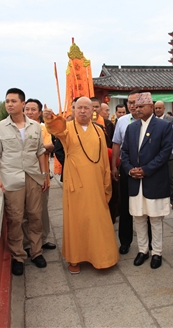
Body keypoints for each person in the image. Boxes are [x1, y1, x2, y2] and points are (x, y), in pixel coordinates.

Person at [43, 97, 119, 274]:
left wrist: (106, 179)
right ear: (74, 110)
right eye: (79, 108)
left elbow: (102, 159)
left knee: (98, 219)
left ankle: (103, 257)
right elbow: (55, 128)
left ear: (93, 110)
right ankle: (75, 258)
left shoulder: (99, 130)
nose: (83, 111)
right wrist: (49, 118)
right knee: (76, 220)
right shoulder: (67, 128)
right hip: (76, 182)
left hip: (96, 182)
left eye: (87, 107)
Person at [0, 88, 49, 276]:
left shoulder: (34, 127)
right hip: (11, 178)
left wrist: (44, 174)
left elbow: (40, 151)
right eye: (7, 101)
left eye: (13, 101)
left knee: (35, 216)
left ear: (22, 104)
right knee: (15, 218)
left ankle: (36, 251)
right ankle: (18, 256)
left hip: (33, 177)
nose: (9, 104)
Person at [121, 92, 173, 269]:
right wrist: (129, 169)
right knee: (139, 217)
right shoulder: (132, 128)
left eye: (142, 106)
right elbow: (125, 152)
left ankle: (156, 252)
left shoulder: (164, 127)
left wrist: (146, 170)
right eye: (136, 106)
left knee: (155, 218)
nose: (138, 108)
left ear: (151, 107)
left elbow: (165, 153)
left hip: (154, 179)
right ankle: (142, 250)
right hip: (135, 181)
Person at [23, 98, 56, 252]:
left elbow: (50, 145)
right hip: (23, 176)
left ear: (39, 112)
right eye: (27, 109)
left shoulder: (43, 128)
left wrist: (34, 147)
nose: (29, 112)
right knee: (25, 212)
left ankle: (43, 239)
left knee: (42, 209)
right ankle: (28, 243)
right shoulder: (20, 128)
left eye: (33, 110)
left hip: (42, 175)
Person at [112, 90, 140, 254]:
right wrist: (114, 166)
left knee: (146, 205)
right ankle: (125, 241)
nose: (132, 105)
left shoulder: (152, 121)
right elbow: (116, 144)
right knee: (125, 205)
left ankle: (150, 241)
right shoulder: (122, 121)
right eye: (129, 102)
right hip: (126, 166)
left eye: (135, 102)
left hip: (145, 168)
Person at [154, 100, 173, 208]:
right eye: (156, 108)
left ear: (164, 108)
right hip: (154, 154)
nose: (158, 110)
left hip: (168, 154)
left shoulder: (171, 120)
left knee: (170, 177)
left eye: (159, 108)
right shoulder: (151, 120)